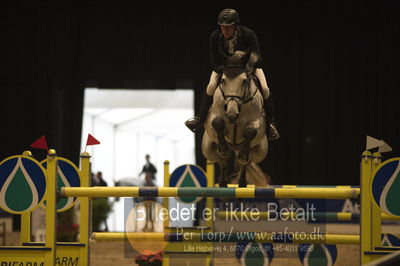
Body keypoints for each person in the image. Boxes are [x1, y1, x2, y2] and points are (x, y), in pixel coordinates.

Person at [185, 8, 280, 140]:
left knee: (265, 88)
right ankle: (199, 119)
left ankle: (270, 124)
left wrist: (246, 64)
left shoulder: (248, 34)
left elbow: (257, 57)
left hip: (248, 68)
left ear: (235, 25)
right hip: (224, 69)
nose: (225, 30)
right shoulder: (214, 37)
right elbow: (214, 63)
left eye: (228, 27)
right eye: (222, 27)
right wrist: (227, 69)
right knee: (211, 86)